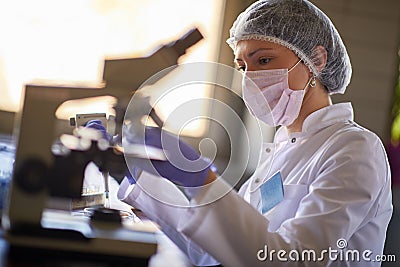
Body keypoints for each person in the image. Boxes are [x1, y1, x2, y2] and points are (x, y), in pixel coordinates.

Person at [111, 0, 393, 266]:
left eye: (264, 61)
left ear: (317, 60)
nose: (250, 77)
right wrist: (141, 180)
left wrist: (204, 181)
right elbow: (217, 255)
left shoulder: (354, 149)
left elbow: (293, 260)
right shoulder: (282, 149)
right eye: (242, 66)